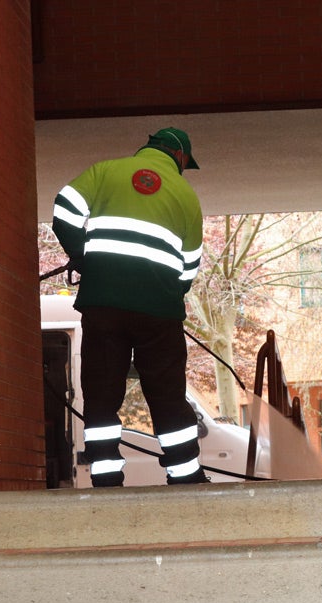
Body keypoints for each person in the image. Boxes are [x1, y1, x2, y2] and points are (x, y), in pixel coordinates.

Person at [51, 128, 208, 487]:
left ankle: (106, 478)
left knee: (102, 390)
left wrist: (82, 255)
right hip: (159, 310)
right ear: (180, 157)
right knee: (167, 392)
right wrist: (167, 293)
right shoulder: (185, 194)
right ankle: (185, 475)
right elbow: (190, 263)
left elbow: (65, 208)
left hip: (103, 304)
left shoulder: (106, 171)